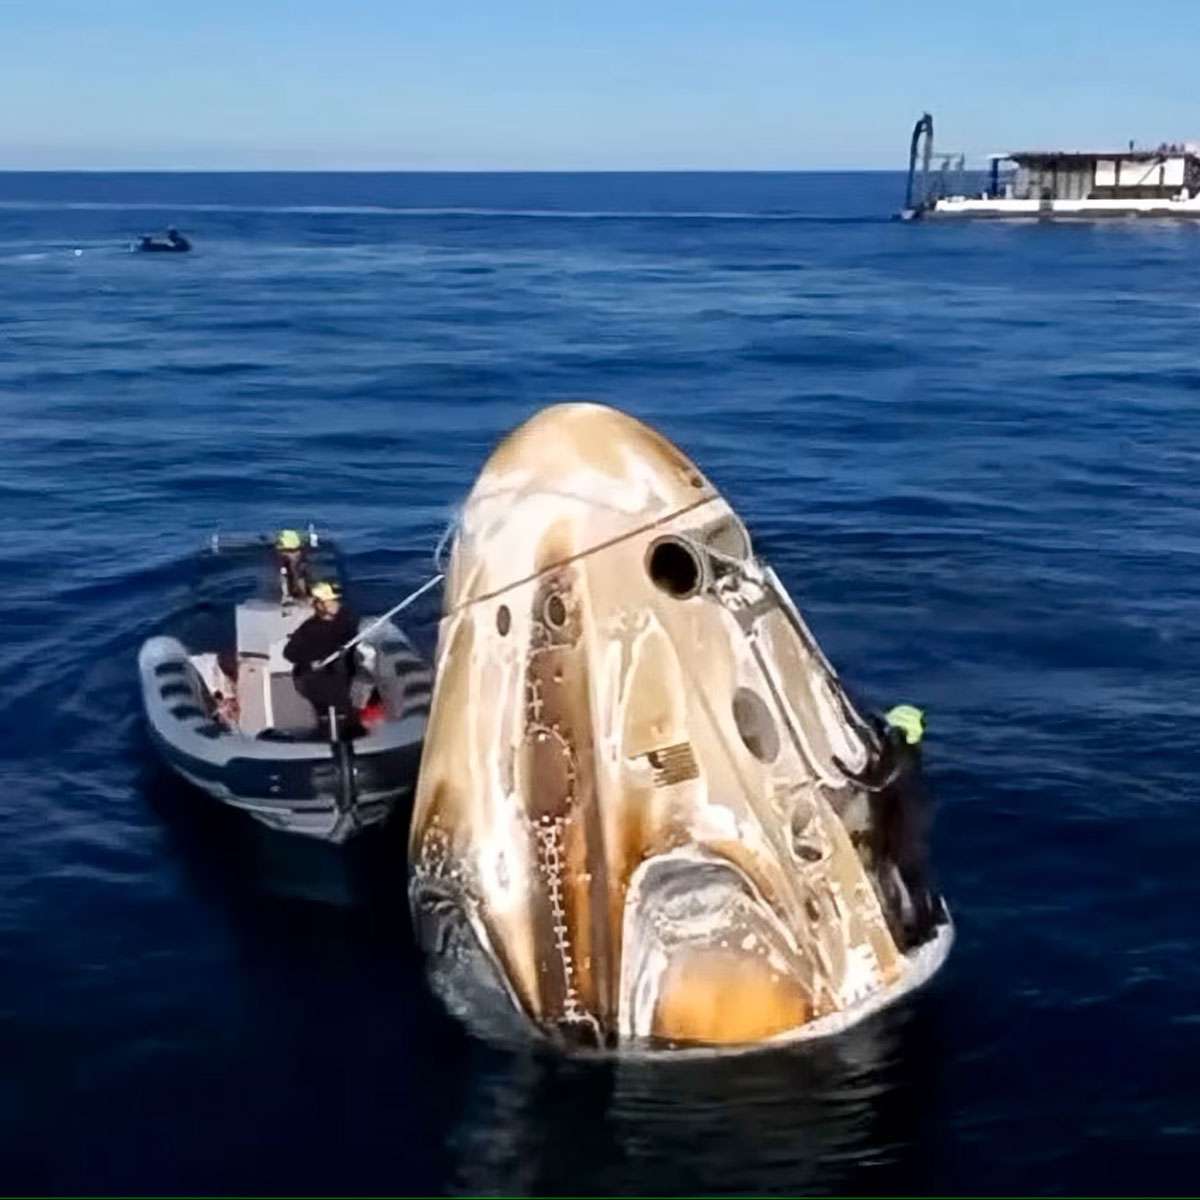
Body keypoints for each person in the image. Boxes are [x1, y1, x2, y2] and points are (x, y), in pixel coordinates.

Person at [282, 581, 360, 732]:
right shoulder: (308, 629)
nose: (334, 604)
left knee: (347, 693)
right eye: (329, 602)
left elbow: (353, 635)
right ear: (319, 605)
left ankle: (350, 725)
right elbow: (289, 653)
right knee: (326, 697)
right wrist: (311, 663)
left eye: (334, 601)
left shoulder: (346, 619)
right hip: (313, 676)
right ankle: (326, 725)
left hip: (341, 672)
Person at [274, 528, 311, 600]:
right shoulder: (297, 536)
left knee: (285, 572)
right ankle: (301, 594)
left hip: (286, 552)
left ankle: (288, 594)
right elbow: (305, 543)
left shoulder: (282, 537)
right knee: (297, 572)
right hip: (294, 551)